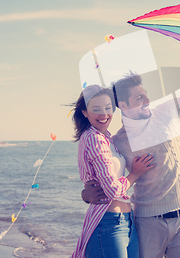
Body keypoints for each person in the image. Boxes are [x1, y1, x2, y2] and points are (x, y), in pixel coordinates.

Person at [83, 23, 180, 258]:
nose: (148, 99)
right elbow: (103, 176)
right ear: (124, 106)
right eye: (140, 97)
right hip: (148, 223)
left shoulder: (166, 112)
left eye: (146, 93)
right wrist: (86, 192)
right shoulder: (118, 141)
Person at [71, 85, 155, 258]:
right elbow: (113, 190)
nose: (104, 114)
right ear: (85, 112)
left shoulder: (107, 138)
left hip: (126, 221)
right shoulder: (93, 138)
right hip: (108, 223)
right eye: (96, 109)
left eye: (108, 108)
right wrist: (135, 173)